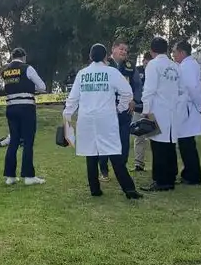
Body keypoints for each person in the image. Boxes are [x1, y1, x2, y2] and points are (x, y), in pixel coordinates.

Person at [62, 44, 141, 199]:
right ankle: (129, 189)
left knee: (91, 154)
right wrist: (120, 108)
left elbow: (72, 99)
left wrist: (67, 116)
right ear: (106, 57)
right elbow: (127, 92)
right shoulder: (111, 72)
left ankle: (95, 189)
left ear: (90, 57)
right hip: (107, 118)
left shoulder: (82, 74)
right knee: (114, 153)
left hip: (86, 119)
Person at [140, 37, 183, 192]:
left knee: (158, 145)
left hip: (158, 110)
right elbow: (181, 89)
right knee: (170, 144)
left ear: (152, 51)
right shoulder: (175, 66)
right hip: (173, 111)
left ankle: (160, 180)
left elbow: (149, 90)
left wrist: (146, 110)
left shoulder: (153, 65)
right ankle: (171, 177)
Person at [1, 47, 47, 186]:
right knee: (28, 142)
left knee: (13, 141)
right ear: (24, 57)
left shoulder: (5, 70)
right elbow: (42, 86)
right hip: (26, 108)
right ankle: (28, 176)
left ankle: (10, 176)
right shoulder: (27, 68)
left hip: (11, 108)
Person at [97, 40, 143, 181]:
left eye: (126, 50)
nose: (124, 52)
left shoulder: (130, 67)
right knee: (105, 141)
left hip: (125, 111)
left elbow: (138, 86)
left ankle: (121, 171)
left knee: (123, 142)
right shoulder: (104, 65)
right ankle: (104, 171)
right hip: (107, 110)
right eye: (121, 49)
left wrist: (135, 100)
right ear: (113, 50)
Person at [172, 40, 201, 185]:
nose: (173, 55)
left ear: (182, 52)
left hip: (190, 108)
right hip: (187, 107)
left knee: (187, 144)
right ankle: (189, 173)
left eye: (174, 52)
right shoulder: (186, 65)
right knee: (186, 143)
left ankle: (192, 176)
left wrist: (199, 105)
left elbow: (192, 88)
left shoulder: (188, 66)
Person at [132, 51, 153, 172]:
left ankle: (158, 164)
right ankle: (138, 164)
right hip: (139, 108)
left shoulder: (155, 71)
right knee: (138, 136)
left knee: (154, 137)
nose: (146, 64)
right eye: (145, 62)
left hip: (152, 110)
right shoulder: (137, 71)